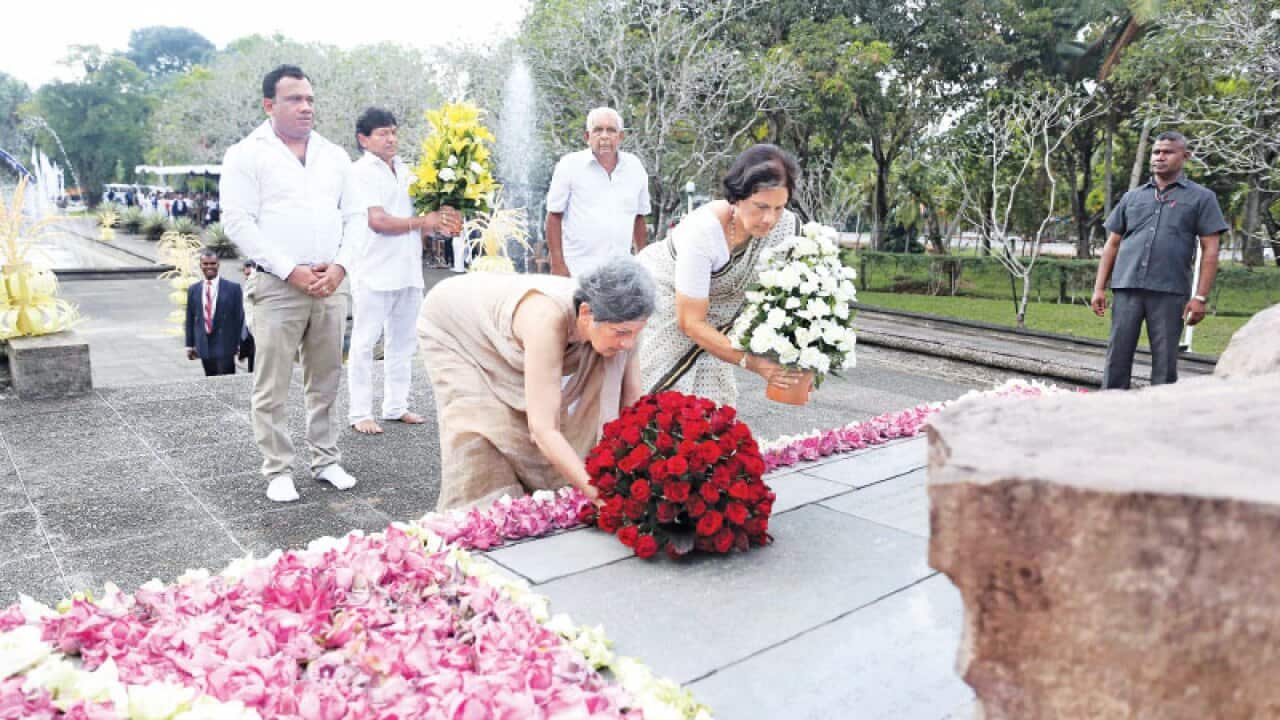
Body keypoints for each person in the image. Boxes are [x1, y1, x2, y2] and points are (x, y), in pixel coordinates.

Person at [221, 64, 365, 503]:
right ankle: (278, 469)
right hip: (278, 286)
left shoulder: (334, 155)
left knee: (326, 377)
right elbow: (237, 221)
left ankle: (326, 460)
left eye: (310, 99)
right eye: (294, 99)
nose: (305, 107)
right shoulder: (247, 154)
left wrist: (340, 267)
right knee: (273, 381)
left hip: (329, 282)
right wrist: (289, 269)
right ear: (270, 105)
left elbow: (356, 216)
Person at [419, 257, 655, 511]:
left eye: (635, 333)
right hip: (455, 326)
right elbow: (543, 430)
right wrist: (601, 497)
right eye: (621, 333)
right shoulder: (547, 320)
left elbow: (634, 408)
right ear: (586, 313)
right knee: (484, 426)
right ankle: (477, 520)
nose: (628, 344)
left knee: (535, 414)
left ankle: (532, 507)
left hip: (504, 325)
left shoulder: (621, 323)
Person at [636, 143, 805, 406]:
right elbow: (690, 322)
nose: (769, 219)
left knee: (711, 399)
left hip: (710, 318)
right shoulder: (703, 233)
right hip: (665, 298)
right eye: (760, 206)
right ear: (736, 198)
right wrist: (752, 362)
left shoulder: (785, 228)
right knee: (659, 392)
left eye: (778, 208)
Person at [347, 107, 462, 435]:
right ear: (364, 139)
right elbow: (378, 221)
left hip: (408, 269)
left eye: (394, 132)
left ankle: (395, 406)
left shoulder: (408, 171)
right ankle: (359, 412)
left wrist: (443, 222)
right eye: (383, 133)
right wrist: (422, 222)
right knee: (365, 342)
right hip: (372, 269)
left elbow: (424, 223)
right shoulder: (359, 172)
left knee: (403, 343)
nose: (391, 139)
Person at [1092, 130, 1227, 389]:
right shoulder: (1133, 197)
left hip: (1169, 291)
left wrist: (1200, 298)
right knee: (1117, 357)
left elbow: (1211, 249)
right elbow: (1113, 243)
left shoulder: (1201, 197)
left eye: (1168, 152)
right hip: (1127, 287)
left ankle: (1162, 418)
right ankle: (1109, 411)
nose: (1160, 157)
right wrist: (1099, 287)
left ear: (1184, 156)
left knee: (1165, 363)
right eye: (1156, 152)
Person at [545, 107, 650, 277]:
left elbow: (639, 217)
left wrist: (643, 261)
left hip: (620, 272)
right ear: (587, 137)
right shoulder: (569, 165)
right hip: (577, 270)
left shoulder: (635, 167)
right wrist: (557, 264)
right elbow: (554, 216)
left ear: (621, 136)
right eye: (598, 130)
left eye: (611, 130)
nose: (605, 136)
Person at [184, 249, 245, 376]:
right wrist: (189, 345)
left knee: (227, 381)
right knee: (210, 380)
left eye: (212, 263)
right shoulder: (193, 289)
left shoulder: (233, 288)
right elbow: (190, 318)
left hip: (226, 343)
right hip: (204, 344)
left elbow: (239, 318)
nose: (209, 267)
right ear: (200, 265)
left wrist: (241, 344)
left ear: (218, 264)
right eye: (205, 264)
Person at [238, 260, 257, 373]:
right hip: (249, 335)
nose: (247, 277)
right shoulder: (244, 287)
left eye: (250, 274)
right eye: (246, 275)